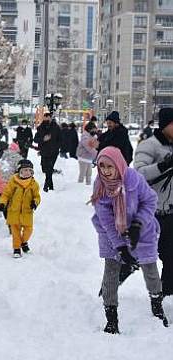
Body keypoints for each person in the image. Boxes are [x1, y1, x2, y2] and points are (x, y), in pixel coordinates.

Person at [91, 146, 168, 334]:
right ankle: (111, 319)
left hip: (142, 230)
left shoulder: (134, 179)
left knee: (150, 270)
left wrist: (137, 224)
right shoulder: (100, 185)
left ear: (119, 164)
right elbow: (106, 219)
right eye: (102, 166)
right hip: (111, 233)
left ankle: (157, 307)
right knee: (111, 273)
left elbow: (150, 200)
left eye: (110, 166)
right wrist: (120, 247)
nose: (106, 171)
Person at [134, 107, 173, 297]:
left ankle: (164, 296)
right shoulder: (149, 145)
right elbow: (138, 174)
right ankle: (110, 286)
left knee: (171, 256)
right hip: (150, 213)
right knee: (136, 255)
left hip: (171, 213)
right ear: (165, 125)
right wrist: (164, 164)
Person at [0, 159, 41, 258]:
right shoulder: (13, 182)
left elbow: (37, 197)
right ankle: (17, 248)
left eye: (29, 171)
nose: (27, 173)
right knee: (15, 233)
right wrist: (2, 203)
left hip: (27, 213)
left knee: (28, 230)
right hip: (14, 212)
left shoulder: (34, 184)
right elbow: (6, 194)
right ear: (19, 171)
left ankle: (24, 242)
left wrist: (35, 202)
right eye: (24, 170)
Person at [34, 112, 62, 192]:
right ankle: (51, 186)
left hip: (54, 152)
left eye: (48, 118)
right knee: (47, 169)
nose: (46, 119)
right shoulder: (40, 128)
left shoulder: (56, 127)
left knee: (49, 168)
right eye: (45, 118)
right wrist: (43, 139)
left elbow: (60, 139)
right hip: (44, 151)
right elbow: (35, 139)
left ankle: (46, 186)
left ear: (50, 118)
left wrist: (57, 147)